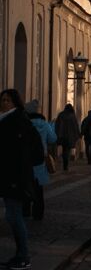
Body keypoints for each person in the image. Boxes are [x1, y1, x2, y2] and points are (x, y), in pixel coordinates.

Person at [0, 89, 45, 270]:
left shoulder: (17, 121)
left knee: (14, 216)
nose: (4, 103)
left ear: (15, 103)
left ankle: (24, 256)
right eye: (2, 100)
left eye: (7, 100)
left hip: (15, 177)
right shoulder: (8, 120)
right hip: (10, 176)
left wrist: (23, 168)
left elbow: (32, 151)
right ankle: (20, 255)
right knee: (12, 216)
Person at [23, 100, 56, 221]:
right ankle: (38, 213)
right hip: (40, 158)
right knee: (38, 188)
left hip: (26, 158)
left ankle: (26, 211)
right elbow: (53, 139)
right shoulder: (44, 124)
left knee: (25, 185)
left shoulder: (24, 124)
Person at [54, 104, 80, 171]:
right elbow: (75, 126)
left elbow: (57, 125)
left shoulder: (61, 115)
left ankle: (65, 164)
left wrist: (57, 134)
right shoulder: (72, 116)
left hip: (62, 136)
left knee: (64, 149)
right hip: (70, 136)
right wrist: (77, 135)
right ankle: (66, 165)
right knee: (67, 150)